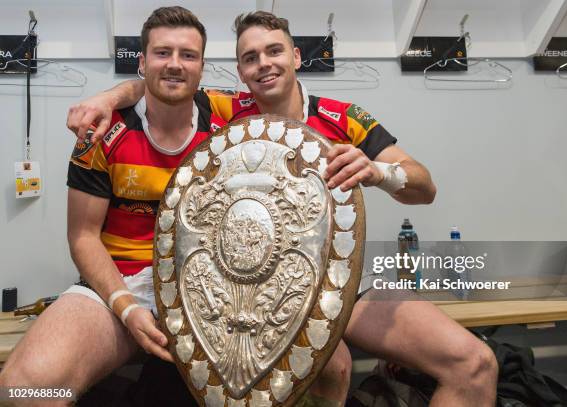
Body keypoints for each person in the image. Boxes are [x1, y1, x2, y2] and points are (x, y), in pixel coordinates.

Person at [64, 11, 499, 407]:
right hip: (259, 288)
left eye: (274, 51)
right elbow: (160, 83)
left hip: (341, 280)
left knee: (475, 363)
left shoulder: (342, 118)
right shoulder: (225, 111)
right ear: (240, 72)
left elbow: (424, 186)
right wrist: (107, 97)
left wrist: (379, 173)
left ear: (295, 55)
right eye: (250, 58)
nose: (263, 64)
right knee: (328, 368)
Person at [0, 8, 348, 407]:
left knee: (330, 368)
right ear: (142, 62)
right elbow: (82, 236)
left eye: (188, 55)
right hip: (125, 285)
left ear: (202, 67)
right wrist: (127, 310)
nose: (176, 65)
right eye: (163, 53)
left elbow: (291, 111)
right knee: (23, 389)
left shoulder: (230, 114)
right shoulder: (101, 133)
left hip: (218, 287)